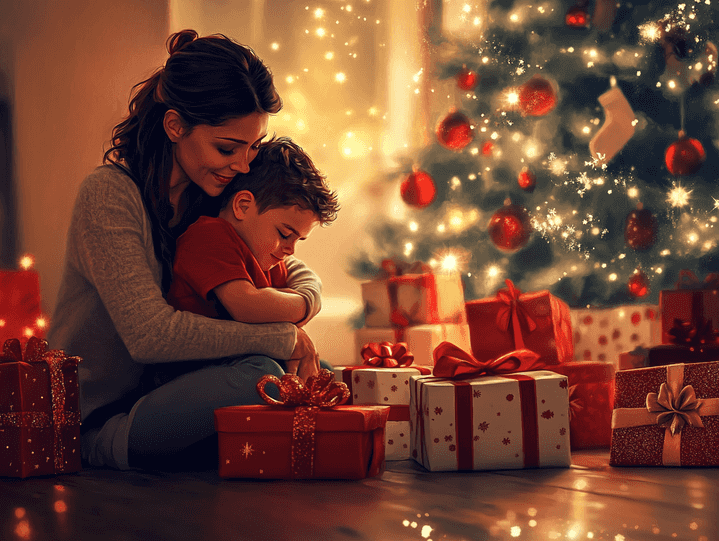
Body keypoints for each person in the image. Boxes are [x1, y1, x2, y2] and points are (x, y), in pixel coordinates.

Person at [48, 29, 322, 472]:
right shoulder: (108, 196)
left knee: (316, 371)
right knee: (263, 371)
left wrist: (308, 298)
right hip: (101, 418)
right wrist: (282, 335)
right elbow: (150, 336)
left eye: (253, 147)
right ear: (175, 126)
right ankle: (106, 448)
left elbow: (285, 257)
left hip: (175, 387)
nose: (244, 165)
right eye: (227, 147)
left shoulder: (212, 189)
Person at [166, 136, 339, 376]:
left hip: (236, 365)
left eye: (298, 239)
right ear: (243, 206)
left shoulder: (266, 258)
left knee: (324, 371)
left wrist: (282, 303)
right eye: (285, 234)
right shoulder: (209, 236)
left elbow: (279, 314)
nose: (290, 249)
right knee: (264, 374)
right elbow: (246, 306)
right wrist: (303, 304)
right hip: (190, 372)